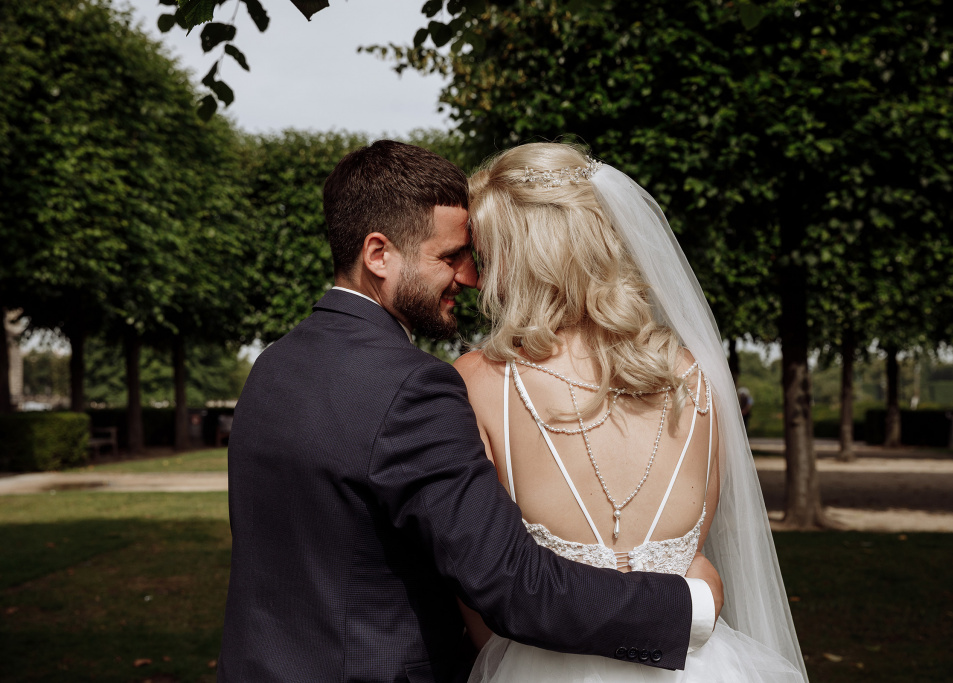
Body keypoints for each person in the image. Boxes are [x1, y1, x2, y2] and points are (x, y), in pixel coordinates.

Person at [217, 140, 723, 682]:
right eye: (449, 257)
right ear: (378, 255)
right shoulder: (415, 386)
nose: (471, 277)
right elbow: (513, 585)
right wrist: (691, 604)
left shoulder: (274, 366)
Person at [455, 143, 807, 682]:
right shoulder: (695, 376)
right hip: (694, 664)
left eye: (485, 257)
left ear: (528, 258)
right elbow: (697, 555)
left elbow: (478, 583)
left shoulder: (481, 381)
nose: (477, 280)